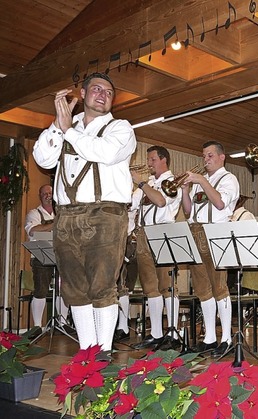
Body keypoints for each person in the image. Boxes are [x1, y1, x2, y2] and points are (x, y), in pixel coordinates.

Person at [32, 72, 136, 351]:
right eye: (96, 89)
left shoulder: (121, 128)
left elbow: (104, 152)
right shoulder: (67, 125)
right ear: (82, 94)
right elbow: (43, 157)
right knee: (74, 289)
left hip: (105, 215)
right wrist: (57, 124)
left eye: (109, 92)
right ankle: (86, 353)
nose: (103, 95)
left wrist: (68, 131)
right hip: (65, 216)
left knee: (102, 286)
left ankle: (102, 352)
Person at [181, 141, 239, 356]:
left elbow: (220, 204)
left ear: (222, 157)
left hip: (216, 234)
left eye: (210, 155)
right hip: (196, 232)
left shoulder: (228, 179)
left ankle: (226, 338)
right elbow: (188, 211)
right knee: (203, 290)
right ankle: (210, 338)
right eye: (204, 155)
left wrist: (202, 180)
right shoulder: (198, 183)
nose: (206, 159)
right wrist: (186, 191)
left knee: (219, 287)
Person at [131, 146, 182, 350]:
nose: (149, 163)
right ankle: (156, 334)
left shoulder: (172, 182)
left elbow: (160, 201)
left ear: (164, 160)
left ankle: (173, 332)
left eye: (152, 159)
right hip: (144, 233)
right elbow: (131, 205)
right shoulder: (149, 184)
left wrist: (141, 183)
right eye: (149, 159)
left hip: (163, 232)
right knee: (150, 287)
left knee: (167, 285)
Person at [24, 185, 69, 333]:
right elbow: (32, 230)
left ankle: (62, 323)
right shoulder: (34, 213)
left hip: (62, 256)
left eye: (50, 193)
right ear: (40, 196)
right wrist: (55, 224)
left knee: (64, 290)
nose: (47, 195)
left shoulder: (61, 213)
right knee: (41, 290)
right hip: (41, 256)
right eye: (44, 193)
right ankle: (37, 326)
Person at [114, 200, 139, 342]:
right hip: (118, 239)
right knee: (120, 286)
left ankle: (123, 327)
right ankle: (121, 325)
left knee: (121, 286)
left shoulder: (133, 196)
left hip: (128, 239)